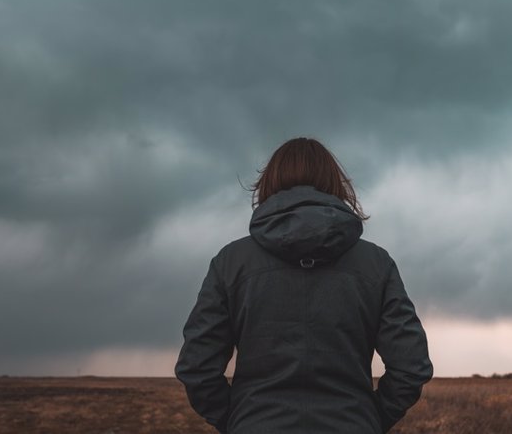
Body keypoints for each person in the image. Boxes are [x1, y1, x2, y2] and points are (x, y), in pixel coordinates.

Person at [175, 137, 433, 433]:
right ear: (336, 185)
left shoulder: (231, 263)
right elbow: (411, 367)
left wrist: (239, 421)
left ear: (268, 185)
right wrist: (368, 420)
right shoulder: (377, 265)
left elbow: (197, 367)